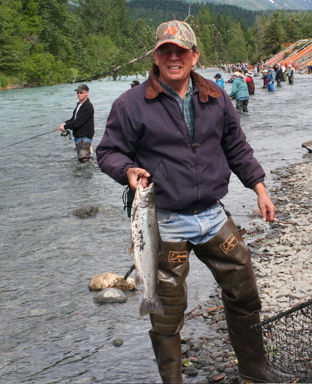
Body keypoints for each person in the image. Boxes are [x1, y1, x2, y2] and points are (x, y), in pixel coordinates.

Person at [96, 20, 292, 384]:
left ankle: (255, 372)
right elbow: (107, 151)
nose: (174, 57)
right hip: (163, 222)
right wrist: (127, 171)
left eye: (181, 51)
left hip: (214, 217)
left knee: (245, 295)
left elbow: (236, 147)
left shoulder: (216, 96)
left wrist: (260, 187)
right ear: (155, 56)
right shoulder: (130, 104)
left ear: (194, 55)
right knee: (165, 314)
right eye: (166, 51)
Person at [59, 84, 94, 163]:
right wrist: (65, 123)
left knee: (84, 161)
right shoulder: (79, 105)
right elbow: (74, 119)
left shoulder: (88, 106)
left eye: (81, 92)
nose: (79, 94)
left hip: (84, 137)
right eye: (78, 92)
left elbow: (77, 123)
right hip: (79, 137)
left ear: (87, 93)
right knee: (83, 160)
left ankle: (87, 175)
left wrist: (66, 127)